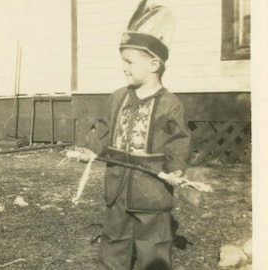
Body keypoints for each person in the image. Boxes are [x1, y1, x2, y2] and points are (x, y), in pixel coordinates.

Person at [82, 2, 191, 269]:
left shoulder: (169, 104)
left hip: (151, 191)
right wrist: (92, 149)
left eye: (129, 62)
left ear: (154, 63)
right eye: (123, 62)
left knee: (153, 243)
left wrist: (176, 169)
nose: (124, 68)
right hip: (117, 188)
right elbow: (105, 128)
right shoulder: (118, 97)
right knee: (114, 238)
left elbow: (178, 139)